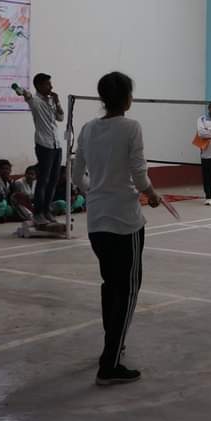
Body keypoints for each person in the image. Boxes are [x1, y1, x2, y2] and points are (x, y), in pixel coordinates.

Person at [73, 71, 162, 386]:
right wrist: (152, 194)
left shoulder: (87, 129)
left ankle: (114, 344)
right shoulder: (131, 127)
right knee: (128, 289)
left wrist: (95, 193)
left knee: (110, 284)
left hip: (96, 221)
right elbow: (139, 173)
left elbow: (76, 176)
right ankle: (109, 364)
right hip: (125, 223)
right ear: (126, 98)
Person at [19, 73, 64, 226]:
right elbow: (26, 95)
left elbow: (60, 118)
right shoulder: (35, 100)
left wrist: (57, 102)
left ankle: (46, 210)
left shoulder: (50, 101)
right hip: (44, 145)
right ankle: (38, 213)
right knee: (43, 180)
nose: (51, 87)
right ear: (39, 86)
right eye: (48, 84)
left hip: (56, 144)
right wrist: (21, 91)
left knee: (53, 180)